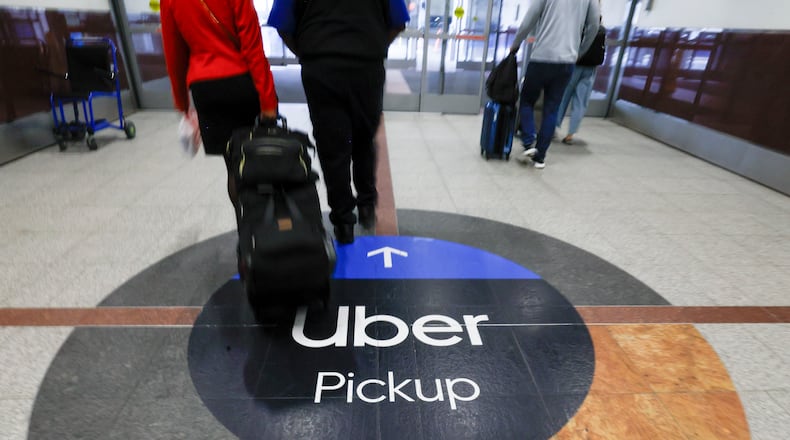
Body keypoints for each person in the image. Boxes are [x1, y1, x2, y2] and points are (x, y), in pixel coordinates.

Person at [268, 0, 409, 244]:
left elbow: (282, 24)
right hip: (367, 66)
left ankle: (343, 221)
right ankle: (366, 204)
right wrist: (373, 46)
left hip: (321, 66)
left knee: (332, 147)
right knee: (364, 138)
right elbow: (398, 21)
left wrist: (307, 52)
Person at [160, 0, 279, 224]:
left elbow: (174, 54)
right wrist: (268, 100)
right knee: (257, 158)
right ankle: (267, 233)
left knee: (233, 164)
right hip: (241, 83)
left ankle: (246, 238)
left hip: (206, 90)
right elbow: (253, 47)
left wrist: (182, 104)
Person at [510, 0, 600, 169]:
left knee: (527, 101)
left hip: (541, 58)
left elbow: (529, 20)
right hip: (567, 62)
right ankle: (540, 156)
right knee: (552, 108)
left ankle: (529, 142)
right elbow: (594, 25)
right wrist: (579, 51)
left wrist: (515, 45)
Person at [556, 21, 607, 145]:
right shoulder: (601, 29)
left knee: (562, 97)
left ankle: (553, 127)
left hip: (573, 66)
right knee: (580, 101)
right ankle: (570, 134)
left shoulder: (578, 25)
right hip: (590, 69)